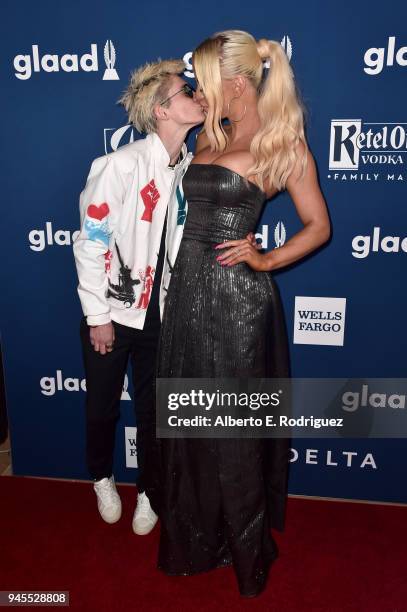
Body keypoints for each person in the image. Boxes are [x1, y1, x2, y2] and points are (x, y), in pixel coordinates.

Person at [147, 31, 331, 596]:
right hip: (186, 300)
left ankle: (247, 551)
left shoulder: (281, 142)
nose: (198, 90)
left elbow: (319, 226)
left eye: (203, 78)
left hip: (237, 304)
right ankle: (196, 540)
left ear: (233, 80)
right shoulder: (209, 133)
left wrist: (268, 258)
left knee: (233, 432)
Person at [73, 59, 204, 534]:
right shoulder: (118, 166)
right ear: (162, 111)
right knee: (102, 404)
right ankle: (102, 476)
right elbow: (90, 243)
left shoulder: (192, 171)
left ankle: (148, 489)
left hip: (161, 315)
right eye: (187, 91)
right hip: (110, 310)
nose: (197, 96)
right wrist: (97, 315)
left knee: (156, 408)